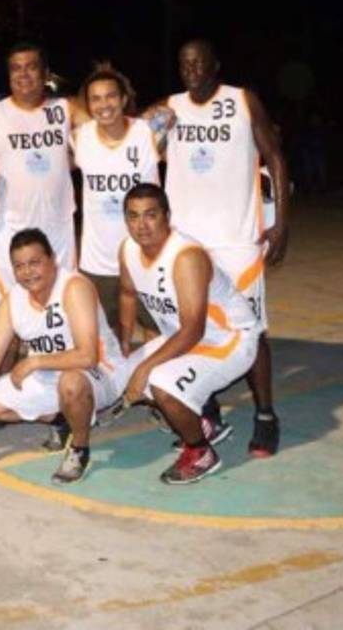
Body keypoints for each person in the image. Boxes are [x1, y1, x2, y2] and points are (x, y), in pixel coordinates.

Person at [158, 39, 289, 457]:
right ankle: (206, 407)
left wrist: (282, 223)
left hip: (236, 239)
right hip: (187, 241)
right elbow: (139, 151)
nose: (191, 68)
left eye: (198, 61)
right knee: (192, 325)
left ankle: (265, 415)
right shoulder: (170, 107)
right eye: (183, 63)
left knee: (252, 330)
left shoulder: (242, 100)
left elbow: (276, 158)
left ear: (215, 64)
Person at [0, 229, 133, 485]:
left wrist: (35, 361)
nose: (28, 272)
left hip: (101, 371)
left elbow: (88, 356)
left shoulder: (74, 288)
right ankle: (63, 419)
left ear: (52, 259)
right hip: (48, 374)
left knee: (71, 382)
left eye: (35, 263)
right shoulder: (12, 301)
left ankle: (79, 448)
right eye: (20, 266)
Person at [118, 183, 260, 484]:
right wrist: (124, 344)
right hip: (189, 337)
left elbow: (194, 330)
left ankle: (200, 452)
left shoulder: (185, 257)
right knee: (119, 371)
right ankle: (203, 425)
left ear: (167, 216)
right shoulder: (128, 249)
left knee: (159, 384)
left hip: (228, 339)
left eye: (150, 215)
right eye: (133, 216)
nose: (141, 225)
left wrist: (144, 368)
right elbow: (128, 294)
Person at [0, 42, 89, 323]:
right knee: (5, 319)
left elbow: (103, 136)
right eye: (16, 69)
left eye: (31, 67)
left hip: (57, 229)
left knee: (62, 314)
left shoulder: (66, 110)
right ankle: (6, 367)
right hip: (9, 228)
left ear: (46, 73)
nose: (23, 74)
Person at [72, 62, 161, 333]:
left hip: (146, 255)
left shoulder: (150, 132)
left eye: (111, 96)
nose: (104, 104)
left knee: (155, 333)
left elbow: (179, 115)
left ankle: (153, 377)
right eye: (95, 99)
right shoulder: (78, 138)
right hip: (98, 261)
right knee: (105, 340)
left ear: (123, 99)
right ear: (87, 105)